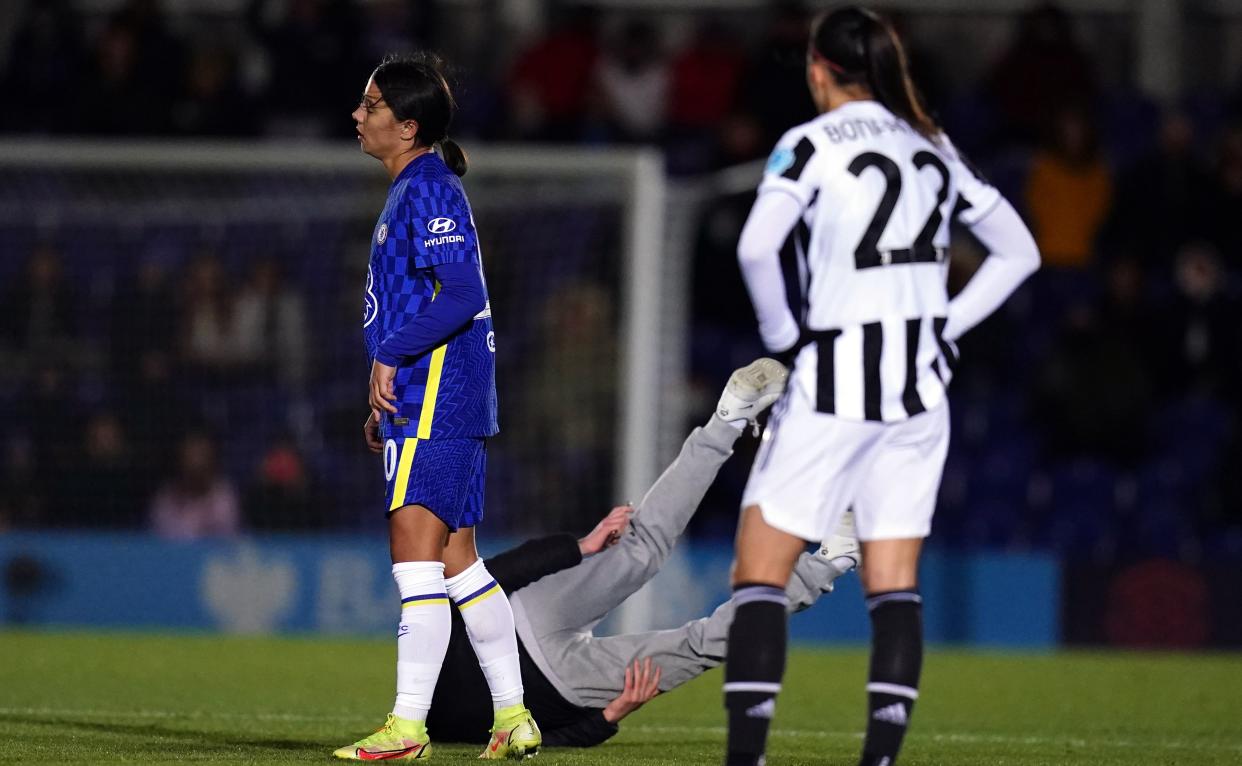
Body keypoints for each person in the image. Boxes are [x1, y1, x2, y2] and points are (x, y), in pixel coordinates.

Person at [724, 8, 1040, 766]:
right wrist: (945, 325)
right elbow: (1019, 252)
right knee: (894, 586)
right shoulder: (931, 144)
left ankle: (745, 759)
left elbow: (757, 246)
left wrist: (783, 340)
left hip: (835, 378)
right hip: (919, 389)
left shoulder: (807, 144)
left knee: (759, 574)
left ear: (818, 68)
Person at [426, 359, 860, 748]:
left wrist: (605, 718)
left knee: (699, 645)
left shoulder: (442, 727)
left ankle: (831, 560)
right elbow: (489, 579)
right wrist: (577, 548)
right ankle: (728, 418)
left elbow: (526, 742)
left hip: (561, 687)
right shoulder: (433, 644)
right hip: (523, 619)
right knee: (642, 545)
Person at [336, 53, 536, 761]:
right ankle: (513, 716)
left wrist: (390, 358)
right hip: (432, 398)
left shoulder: (428, 190)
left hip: (435, 396)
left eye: (370, 105)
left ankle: (407, 727)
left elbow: (460, 295)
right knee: (460, 565)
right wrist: (381, 383)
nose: (358, 115)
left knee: (415, 565)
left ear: (407, 123)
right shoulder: (415, 189)